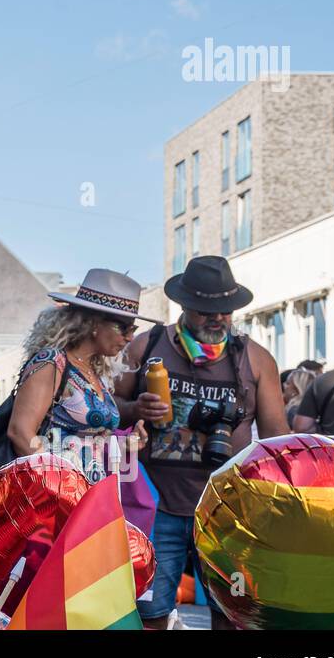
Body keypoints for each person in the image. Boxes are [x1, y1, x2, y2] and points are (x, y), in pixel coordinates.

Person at [113, 255, 288, 630]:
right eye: (207, 309)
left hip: (229, 513)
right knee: (150, 615)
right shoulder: (146, 347)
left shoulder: (255, 359)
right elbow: (107, 406)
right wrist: (133, 408)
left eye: (225, 309)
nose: (218, 318)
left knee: (232, 618)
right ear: (184, 305)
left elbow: (278, 440)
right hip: (156, 508)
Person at [7, 270, 153, 482]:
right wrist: (59, 486)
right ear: (93, 323)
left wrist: (125, 444)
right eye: (123, 327)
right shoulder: (52, 362)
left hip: (89, 499)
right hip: (53, 500)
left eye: (133, 328)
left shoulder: (95, 371)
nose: (130, 337)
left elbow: (88, 444)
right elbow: (20, 433)